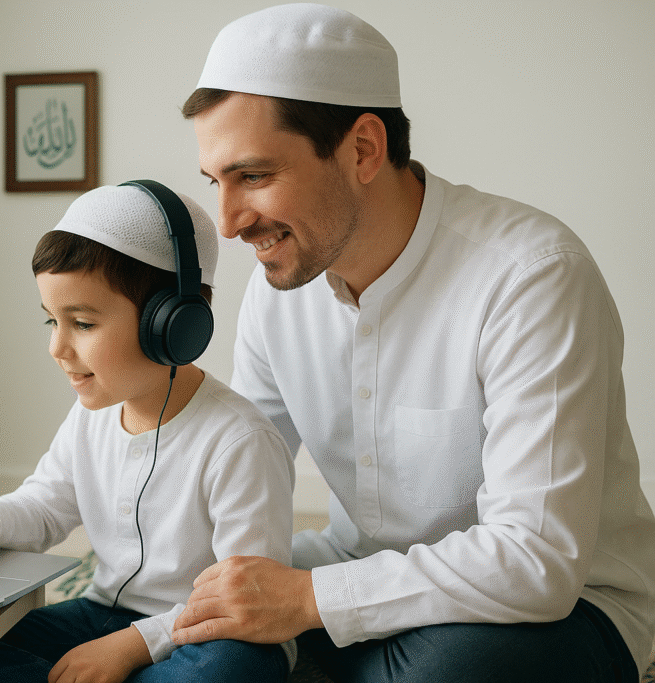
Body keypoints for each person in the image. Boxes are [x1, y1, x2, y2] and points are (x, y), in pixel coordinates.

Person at [170, 4, 655, 682]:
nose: (227, 223)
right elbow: (241, 485)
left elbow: (536, 562)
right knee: (199, 625)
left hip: (564, 606)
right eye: (215, 183)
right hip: (354, 569)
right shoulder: (276, 297)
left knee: (439, 673)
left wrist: (308, 599)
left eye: (252, 176)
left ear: (364, 149)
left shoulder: (532, 276)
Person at [0, 182, 296, 683]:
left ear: (171, 325)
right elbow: (47, 504)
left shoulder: (239, 441)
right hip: (102, 614)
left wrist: (132, 647)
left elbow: (245, 597)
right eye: (51, 322)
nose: (57, 348)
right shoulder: (92, 416)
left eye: (81, 323)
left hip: (206, 630)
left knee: (233, 667)